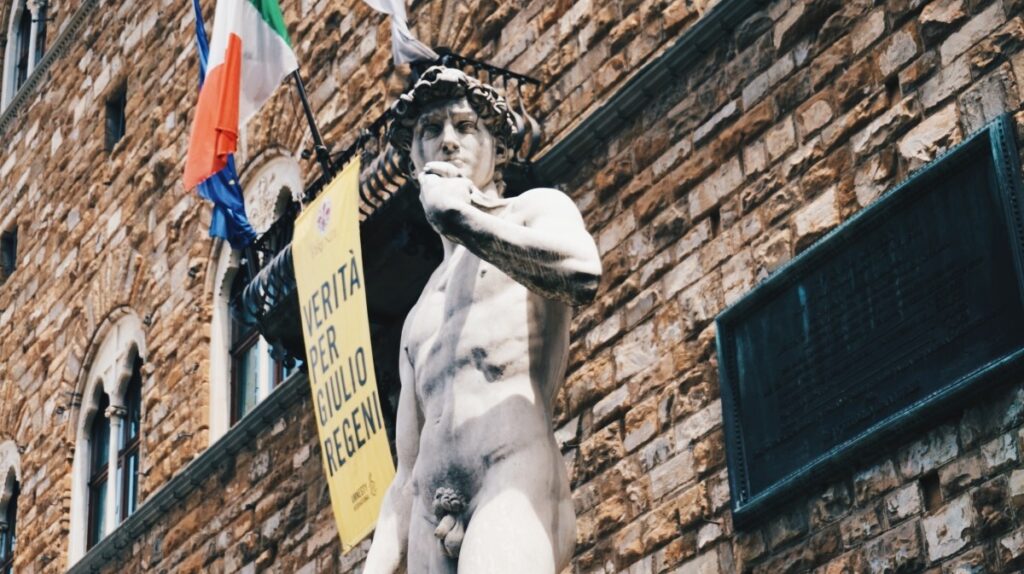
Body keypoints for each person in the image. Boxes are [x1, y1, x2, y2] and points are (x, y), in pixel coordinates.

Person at [364, 66, 602, 574]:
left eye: (464, 126)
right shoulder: (417, 315)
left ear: (495, 148)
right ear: (412, 161)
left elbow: (581, 273)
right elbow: (405, 476)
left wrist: (463, 219)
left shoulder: (533, 212)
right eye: (430, 131)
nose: (447, 142)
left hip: (509, 480)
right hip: (431, 510)